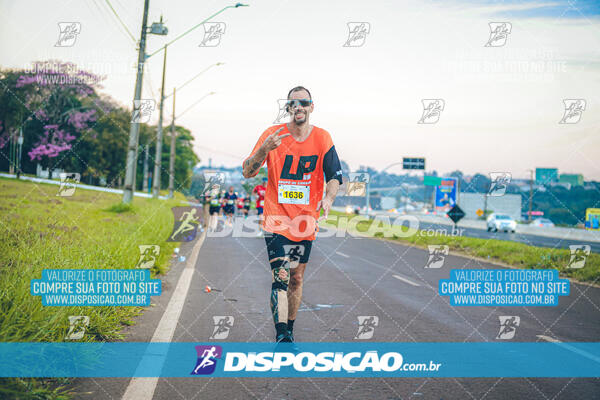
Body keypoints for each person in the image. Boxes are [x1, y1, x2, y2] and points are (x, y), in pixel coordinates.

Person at [242, 86, 342, 343]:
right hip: (276, 219)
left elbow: (334, 175)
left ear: (311, 106)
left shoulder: (322, 138)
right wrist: (264, 149)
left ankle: (290, 328)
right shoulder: (272, 134)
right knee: (281, 275)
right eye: (293, 103)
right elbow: (247, 171)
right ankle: (281, 334)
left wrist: (328, 198)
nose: (299, 107)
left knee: (296, 277)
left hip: (305, 222)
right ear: (287, 108)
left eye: (304, 102)